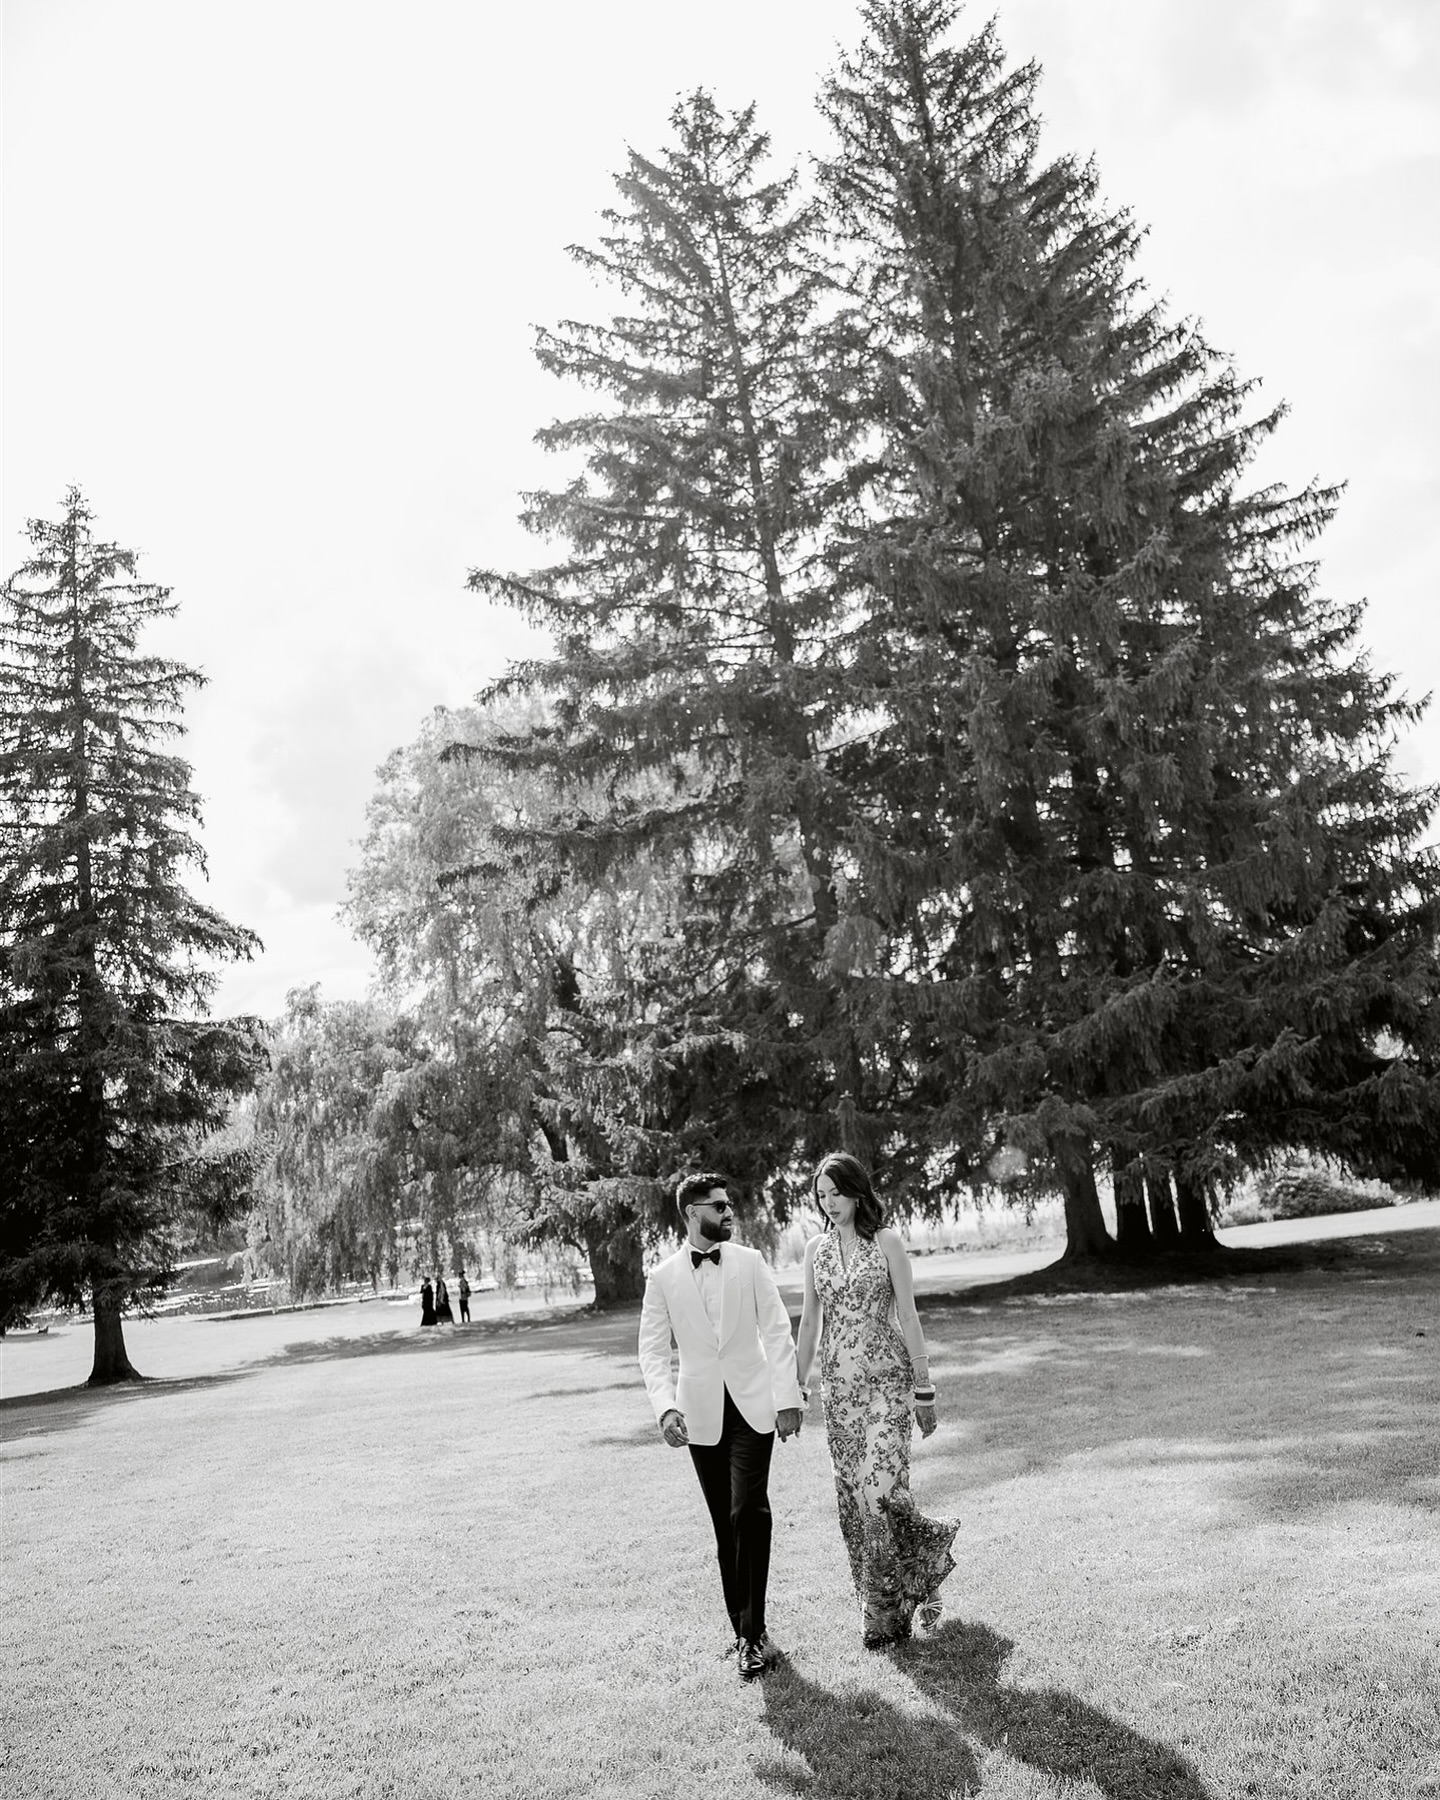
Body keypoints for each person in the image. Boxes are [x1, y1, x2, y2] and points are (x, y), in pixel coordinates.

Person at [638, 1172, 805, 1681]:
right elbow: (651, 1349)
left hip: (754, 1407)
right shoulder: (663, 1277)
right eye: (718, 1206)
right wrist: (666, 1407)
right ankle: (744, 1632)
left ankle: (751, 1637)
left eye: (730, 1204)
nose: (729, 1212)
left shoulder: (750, 1263)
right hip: (700, 1416)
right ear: (692, 1214)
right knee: (724, 1523)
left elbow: (777, 1332)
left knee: (749, 1511)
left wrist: (788, 1398)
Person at [795, 1152, 957, 1648]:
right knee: (855, 1503)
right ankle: (886, 1611)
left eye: (836, 1193)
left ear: (857, 1192)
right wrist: (794, 1390)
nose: (829, 1204)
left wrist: (924, 1386)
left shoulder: (886, 1241)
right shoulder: (814, 1250)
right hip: (839, 1393)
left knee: (877, 1493)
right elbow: (809, 1322)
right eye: (821, 1196)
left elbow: (908, 1315)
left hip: (888, 1383)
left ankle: (914, 1579)